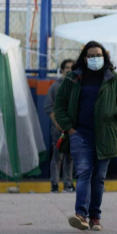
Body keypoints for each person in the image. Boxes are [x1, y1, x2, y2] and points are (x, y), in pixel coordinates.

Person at [53, 41, 117, 232]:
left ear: (104, 57)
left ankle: (95, 217)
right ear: (84, 58)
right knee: (84, 172)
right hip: (80, 134)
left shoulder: (114, 80)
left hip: (105, 135)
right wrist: (70, 128)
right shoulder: (72, 79)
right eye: (90, 56)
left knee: (98, 177)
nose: (94, 59)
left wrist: (114, 110)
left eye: (98, 55)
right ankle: (80, 215)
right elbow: (59, 107)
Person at [46, 59, 76, 193]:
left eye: (72, 67)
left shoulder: (78, 86)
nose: (69, 69)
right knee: (58, 156)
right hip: (59, 130)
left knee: (70, 156)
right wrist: (57, 123)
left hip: (73, 129)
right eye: (67, 67)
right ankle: (54, 184)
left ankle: (68, 184)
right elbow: (48, 106)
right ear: (62, 70)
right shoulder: (55, 86)